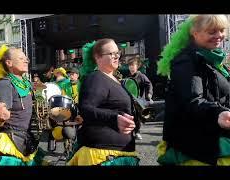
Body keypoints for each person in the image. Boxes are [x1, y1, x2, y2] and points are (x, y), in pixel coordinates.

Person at [156, 15, 230, 165]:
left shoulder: (212, 59)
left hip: (214, 139)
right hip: (198, 147)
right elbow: (192, 100)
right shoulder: (187, 61)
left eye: (222, 30)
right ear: (194, 33)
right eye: (212, 31)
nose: (219, 35)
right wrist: (218, 113)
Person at [67, 38, 139, 166]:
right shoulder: (96, 78)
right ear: (98, 57)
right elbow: (86, 109)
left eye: (118, 53)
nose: (117, 56)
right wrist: (114, 118)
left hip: (120, 152)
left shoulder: (117, 80)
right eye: (112, 54)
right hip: (104, 156)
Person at [0, 45, 44, 166]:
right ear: (9, 63)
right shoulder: (5, 84)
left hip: (26, 141)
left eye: (26, 59)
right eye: (21, 58)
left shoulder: (27, 84)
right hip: (9, 144)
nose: (26, 61)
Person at [127, 55, 153, 140]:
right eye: (130, 65)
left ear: (137, 66)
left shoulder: (141, 76)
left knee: (137, 117)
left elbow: (148, 84)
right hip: (129, 100)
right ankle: (130, 132)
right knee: (129, 116)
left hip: (138, 100)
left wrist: (148, 94)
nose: (131, 67)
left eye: (133, 65)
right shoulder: (128, 77)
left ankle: (137, 132)